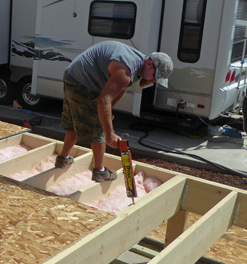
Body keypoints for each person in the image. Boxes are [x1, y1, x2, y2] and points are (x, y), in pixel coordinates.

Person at [54, 41, 173, 182]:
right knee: (99, 130)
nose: (154, 81)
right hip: (83, 83)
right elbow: (103, 100)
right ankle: (99, 171)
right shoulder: (126, 70)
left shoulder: (136, 65)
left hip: (72, 75)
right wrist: (109, 133)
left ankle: (63, 159)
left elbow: (121, 89)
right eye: (155, 76)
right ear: (149, 64)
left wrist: (109, 110)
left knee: (74, 122)